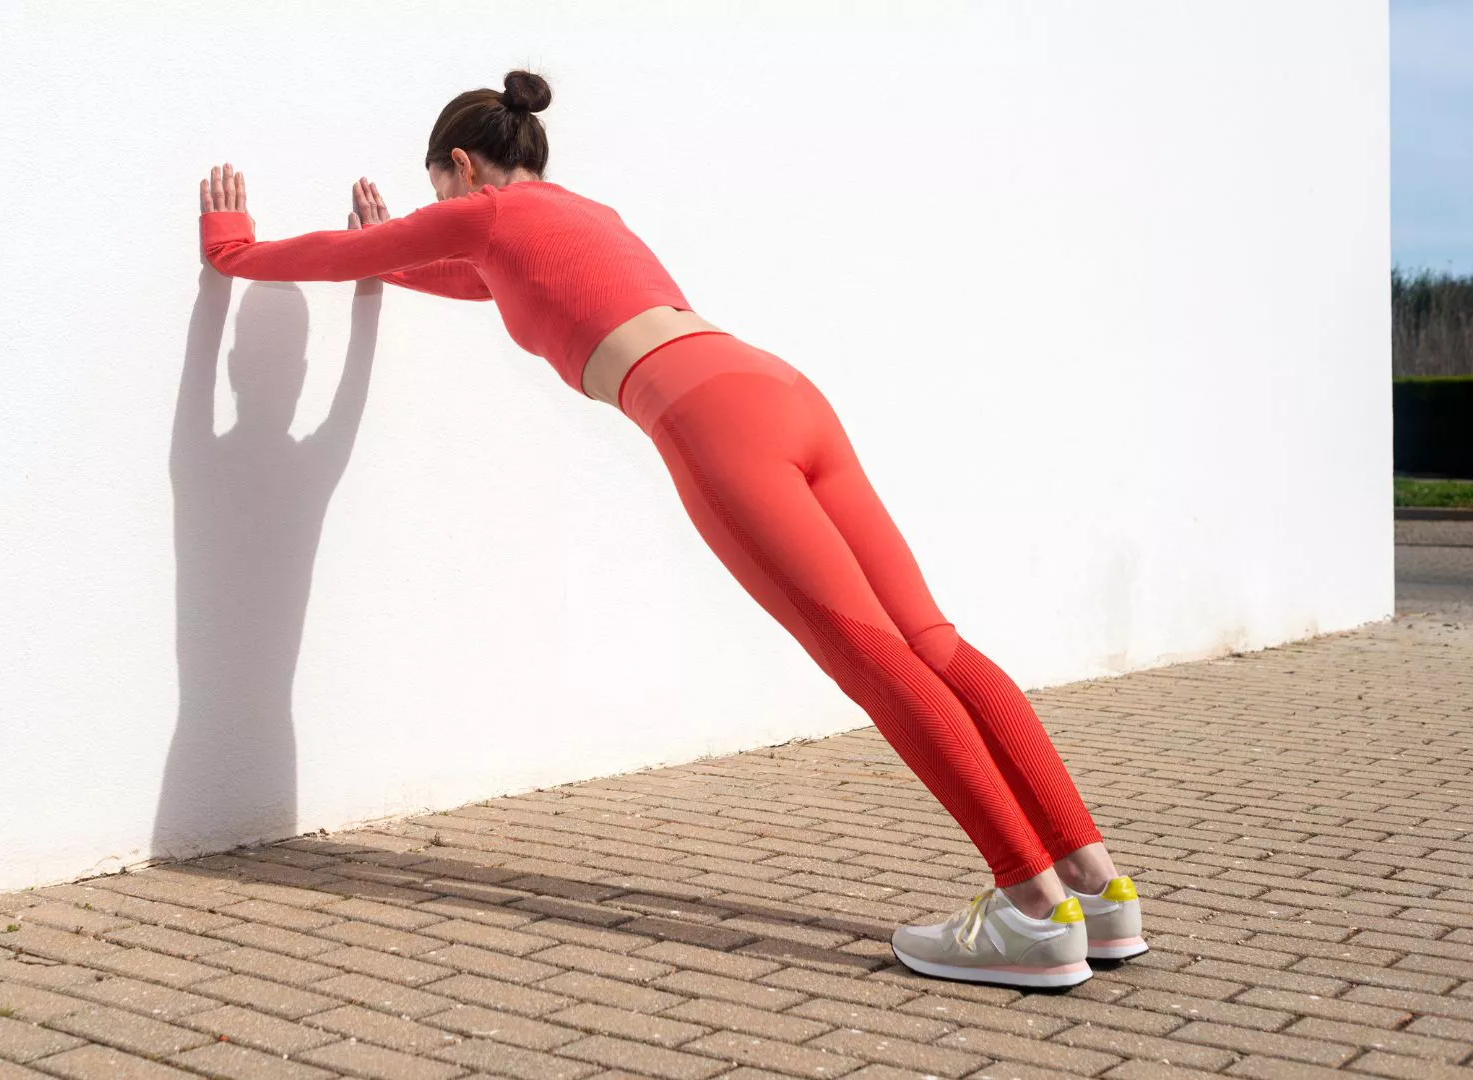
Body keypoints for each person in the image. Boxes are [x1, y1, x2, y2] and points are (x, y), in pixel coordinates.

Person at [195, 70, 1147, 988]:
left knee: (869, 656)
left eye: (434, 189)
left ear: (462, 167)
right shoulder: (585, 214)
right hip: (779, 389)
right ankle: (1099, 895)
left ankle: (1030, 911)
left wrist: (235, 249)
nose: (436, 205)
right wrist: (394, 254)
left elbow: (334, 258)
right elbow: (475, 280)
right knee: (932, 641)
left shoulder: (480, 211)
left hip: (710, 420)